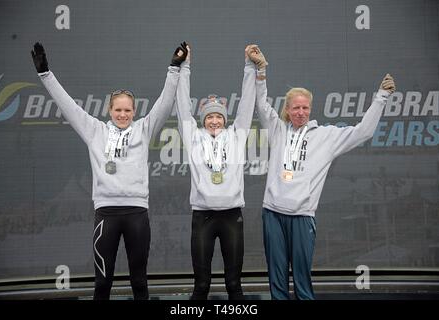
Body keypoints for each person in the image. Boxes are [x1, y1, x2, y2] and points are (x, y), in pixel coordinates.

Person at [30, 41, 188, 300]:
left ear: (134, 112)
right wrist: (45, 73)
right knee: (102, 283)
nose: (123, 114)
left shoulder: (144, 130)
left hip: (137, 213)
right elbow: (67, 105)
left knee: (139, 282)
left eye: (127, 110)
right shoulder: (95, 131)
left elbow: (165, 103)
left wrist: (173, 68)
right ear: (109, 110)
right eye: (118, 109)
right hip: (106, 214)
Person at [247, 46, 396, 300]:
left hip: (303, 215)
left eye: (305, 108)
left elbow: (363, 132)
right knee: (277, 282)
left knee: (303, 284)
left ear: (311, 109)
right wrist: (260, 71)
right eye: (295, 108)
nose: (301, 112)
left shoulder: (326, 136)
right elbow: (261, 104)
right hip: (272, 213)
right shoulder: (277, 130)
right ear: (287, 109)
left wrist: (381, 97)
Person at [175, 44, 259, 300]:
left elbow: (247, 103)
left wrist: (249, 67)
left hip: (232, 217)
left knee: (234, 285)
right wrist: (184, 67)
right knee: (201, 286)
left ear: (225, 120)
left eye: (219, 117)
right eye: (209, 117)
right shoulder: (193, 137)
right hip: (203, 218)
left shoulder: (236, 134)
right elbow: (181, 106)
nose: (214, 121)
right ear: (203, 120)